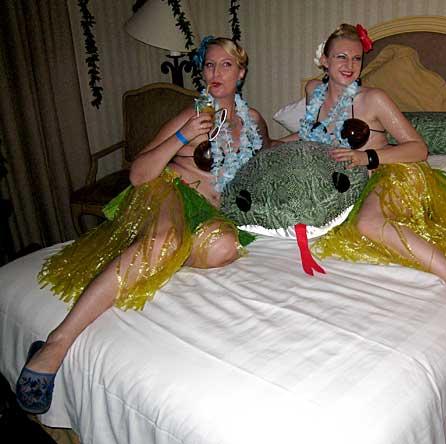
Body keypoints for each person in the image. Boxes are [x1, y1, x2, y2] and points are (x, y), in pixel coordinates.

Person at [15, 37, 273, 415]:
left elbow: (266, 153)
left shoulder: (252, 120)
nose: (216, 73)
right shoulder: (191, 115)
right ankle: (57, 342)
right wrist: (185, 136)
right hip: (168, 190)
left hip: (208, 211)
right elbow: (139, 173)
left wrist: (306, 141)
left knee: (224, 248)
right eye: (209, 65)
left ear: (241, 73)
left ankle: (157, 250)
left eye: (226, 65)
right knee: (166, 240)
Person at [285, 24, 446, 322]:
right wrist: (273, 144)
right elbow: (313, 134)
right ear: (324, 60)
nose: (350, 65)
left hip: (394, 171)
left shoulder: (373, 98)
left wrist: (366, 157)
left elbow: (418, 149)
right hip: (352, 183)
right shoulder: (313, 92)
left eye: (356, 58)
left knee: (368, 224)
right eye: (341, 57)